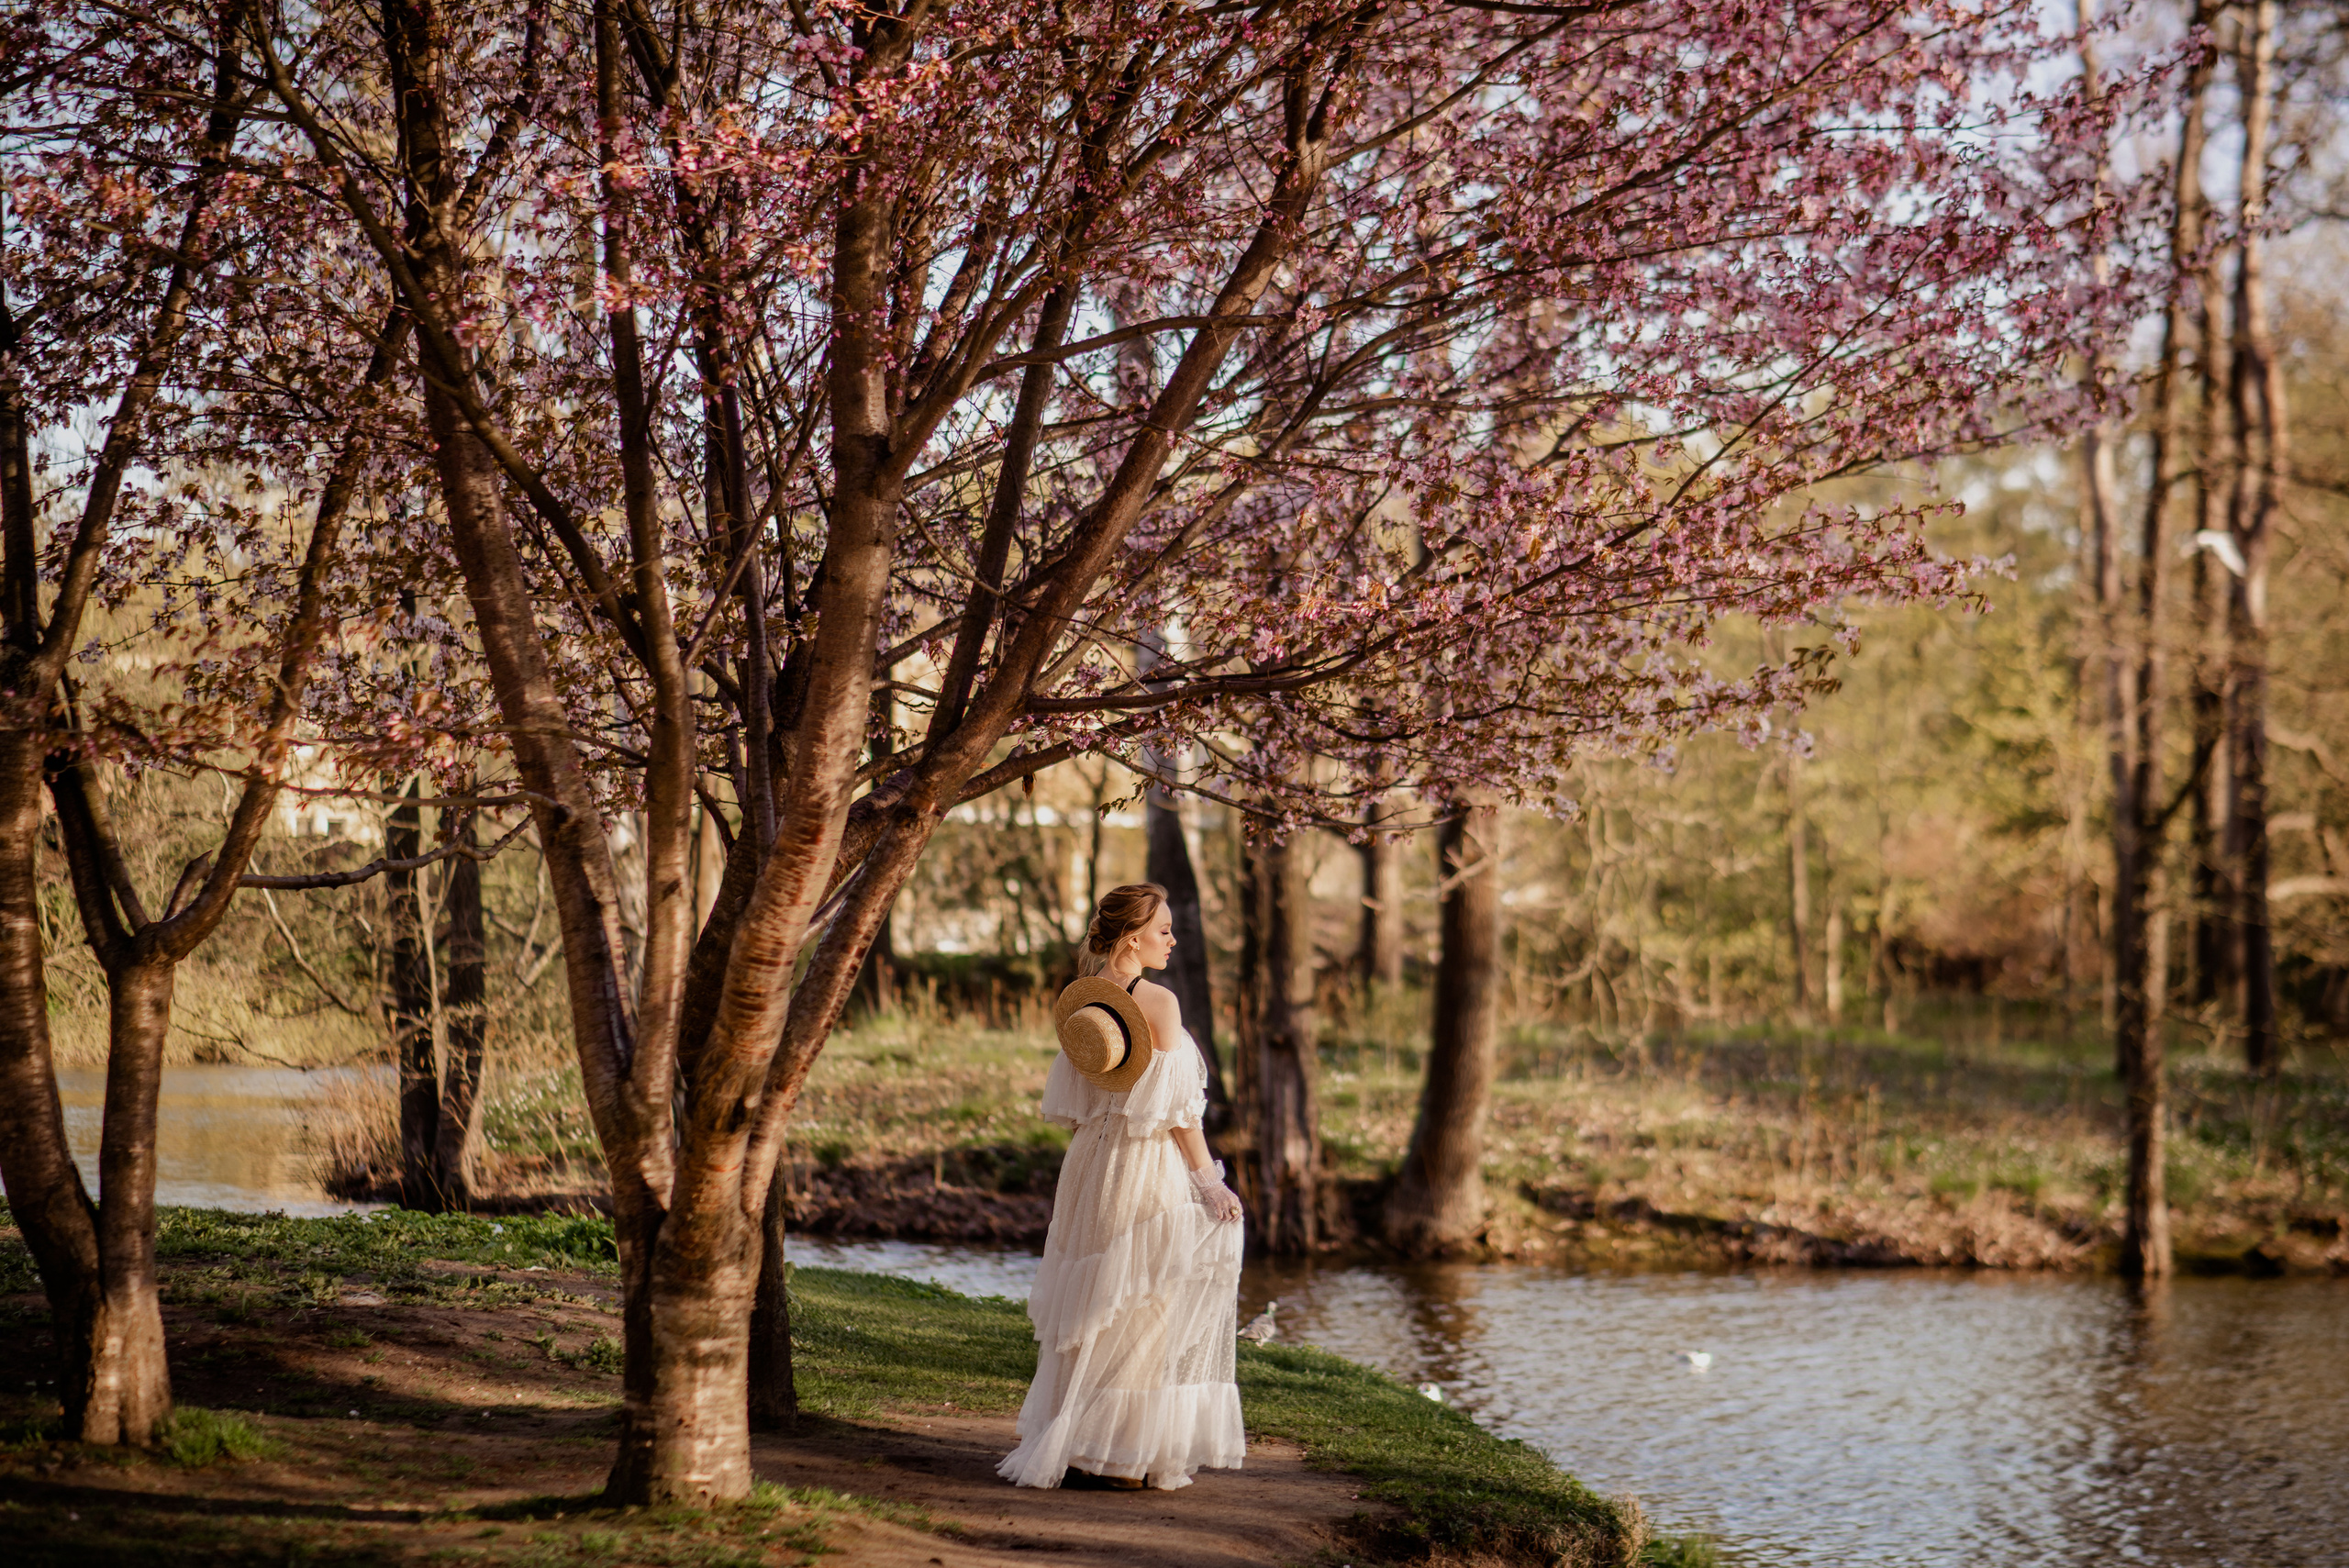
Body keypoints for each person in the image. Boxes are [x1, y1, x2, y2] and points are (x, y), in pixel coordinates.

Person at [997, 882, 1248, 1492]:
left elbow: (1081, 1103)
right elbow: (1178, 1112)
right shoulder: (1156, 1003)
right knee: (1143, 1299)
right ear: (1133, 936)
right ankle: (1114, 1453)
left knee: (1092, 1301)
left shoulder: (1082, 1001)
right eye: (1164, 929)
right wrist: (1208, 1182)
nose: (1172, 938)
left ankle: (1079, 1441)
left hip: (1089, 1162)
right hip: (1142, 1161)